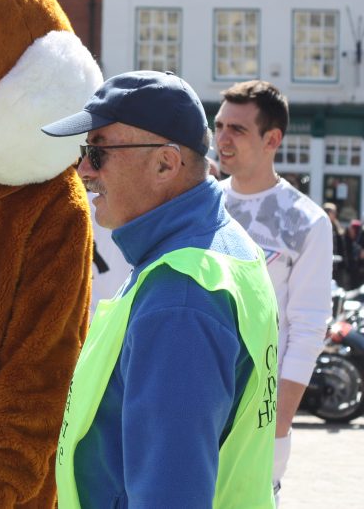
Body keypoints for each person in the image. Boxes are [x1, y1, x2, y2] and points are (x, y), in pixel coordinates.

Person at [43, 71, 278, 508]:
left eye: (98, 151)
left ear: (166, 164)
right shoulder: (223, 246)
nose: (83, 169)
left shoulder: (180, 296)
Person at [215, 79, 331, 497]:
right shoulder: (202, 204)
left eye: (237, 129)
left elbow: (308, 327)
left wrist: (277, 422)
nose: (222, 139)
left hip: (257, 416)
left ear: (272, 139)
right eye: (219, 126)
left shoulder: (306, 221)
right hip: (192, 401)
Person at [324, 202, 348, 289]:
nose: (335, 214)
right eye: (333, 212)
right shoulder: (323, 225)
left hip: (338, 264)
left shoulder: (336, 226)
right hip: (328, 264)